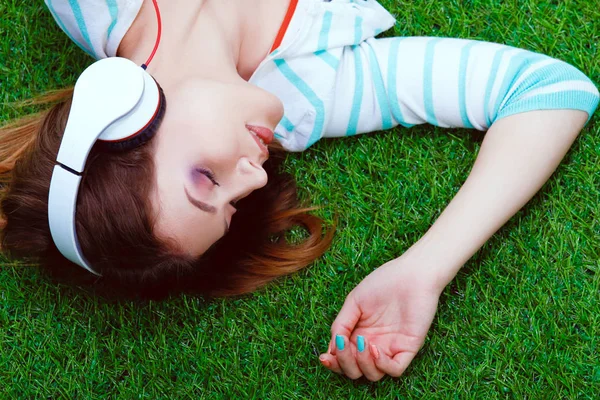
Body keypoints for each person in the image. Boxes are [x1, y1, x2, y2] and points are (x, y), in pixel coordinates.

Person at [0, 0, 597, 382]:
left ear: (122, 111)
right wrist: (425, 267)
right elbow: (550, 91)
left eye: (204, 179)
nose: (255, 177)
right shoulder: (314, 94)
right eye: (233, 206)